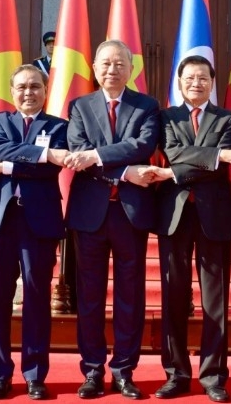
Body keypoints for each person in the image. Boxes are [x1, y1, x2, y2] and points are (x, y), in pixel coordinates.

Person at [63, 39, 160, 400]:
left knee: (129, 296)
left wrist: (97, 156)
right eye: (105, 63)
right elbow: (78, 152)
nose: (112, 70)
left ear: (131, 69)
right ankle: (91, 370)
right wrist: (122, 172)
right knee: (89, 296)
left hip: (129, 214)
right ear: (94, 68)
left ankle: (124, 370)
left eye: (120, 64)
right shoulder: (80, 106)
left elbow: (142, 146)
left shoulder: (147, 106)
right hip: (90, 214)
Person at [147, 55, 231, 403]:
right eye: (189, 78)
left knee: (215, 300)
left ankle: (214, 375)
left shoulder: (228, 119)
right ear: (179, 82)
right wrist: (208, 155)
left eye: (203, 78)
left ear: (212, 82)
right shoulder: (166, 117)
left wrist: (183, 167)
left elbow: (221, 163)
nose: (196, 83)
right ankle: (176, 373)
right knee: (173, 296)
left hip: (213, 215)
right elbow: (173, 153)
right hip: (174, 214)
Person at [0, 64, 69, 400]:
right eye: (22, 87)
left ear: (45, 90)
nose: (28, 93)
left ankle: (34, 375)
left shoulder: (60, 126)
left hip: (40, 221)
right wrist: (43, 156)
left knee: (36, 298)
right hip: (0, 219)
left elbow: (50, 172)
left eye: (35, 87)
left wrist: (9, 166)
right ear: (12, 91)